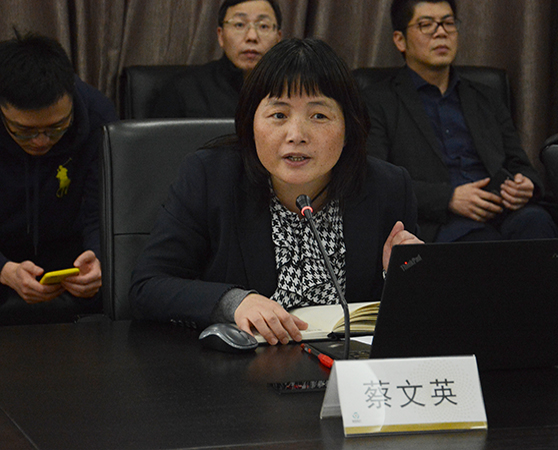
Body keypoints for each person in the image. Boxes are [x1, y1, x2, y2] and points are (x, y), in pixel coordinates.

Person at [130, 38, 422, 345]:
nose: (296, 135)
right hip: (245, 366)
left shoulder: (387, 187)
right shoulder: (210, 178)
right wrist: (233, 302)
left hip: (345, 364)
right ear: (250, 124)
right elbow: (147, 287)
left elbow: (408, 314)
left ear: (349, 128)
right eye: (279, 115)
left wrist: (405, 276)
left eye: (319, 116)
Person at [363, 0, 558, 242]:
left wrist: (525, 184)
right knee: (480, 243)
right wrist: (449, 198)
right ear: (400, 40)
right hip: (440, 220)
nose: (441, 32)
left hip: (501, 209)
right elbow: (376, 180)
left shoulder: (485, 96)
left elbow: (520, 164)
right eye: (426, 24)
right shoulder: (378, 101)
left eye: (448, 23)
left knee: (538, 223)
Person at [0, 33, 118, 325]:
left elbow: (101, 207)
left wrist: (100, 258)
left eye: (56, 127)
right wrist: (4, 269)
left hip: (71, 258)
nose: (41, 141)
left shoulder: (98, 115)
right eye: (23, 131)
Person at [152, 0, 282, 118]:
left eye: (263, 26)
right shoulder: (183, 89)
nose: (252, 36)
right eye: (239, 24)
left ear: (278, 38)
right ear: (221, 36)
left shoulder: (290, 90)